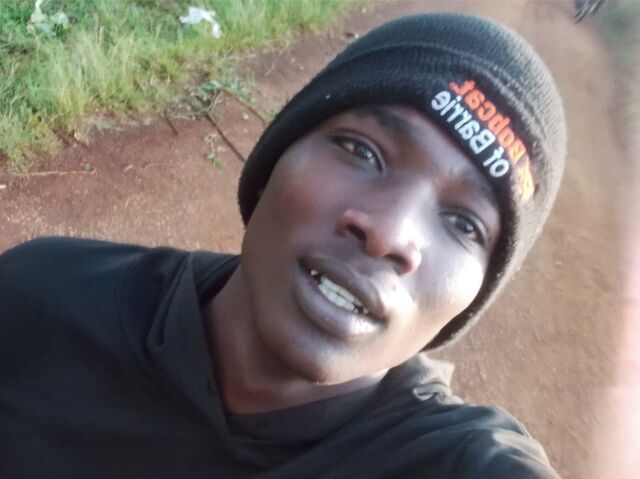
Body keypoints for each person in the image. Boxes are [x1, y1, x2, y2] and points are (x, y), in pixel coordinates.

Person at [0, 13, 566, 479]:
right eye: (362, 151)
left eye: (465, 224)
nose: (389, 234)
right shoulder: (41, 298)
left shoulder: (459, 464)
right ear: (276, 158)